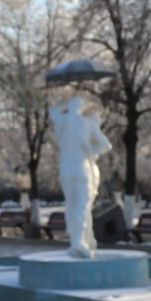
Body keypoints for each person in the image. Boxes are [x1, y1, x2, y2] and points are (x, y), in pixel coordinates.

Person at [49, 96, 111, 258]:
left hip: (65, 169)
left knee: (71, 206)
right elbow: (106, 145)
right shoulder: (86, 123)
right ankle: (79, 242)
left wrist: (64, 104)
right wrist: (92, 151)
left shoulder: (62, 121)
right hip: (81, 169)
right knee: (82, 207)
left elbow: (52, 112)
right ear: (82, 107)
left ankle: (78, 241)